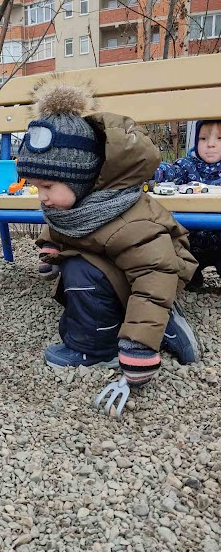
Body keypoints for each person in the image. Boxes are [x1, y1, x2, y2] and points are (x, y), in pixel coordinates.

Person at [16, 82, 201, 396]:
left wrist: (138, 350)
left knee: (81, 271)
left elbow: (154, 273)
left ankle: (98, 349)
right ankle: (156, 320)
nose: (41, 197)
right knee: (81, 267)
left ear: (83, 177)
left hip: (159, 271)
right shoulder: (80, 204)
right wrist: (50, 247)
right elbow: (66, 226)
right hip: (132, 268)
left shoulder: (128, 217)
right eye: (35, 187)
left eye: (47, 186)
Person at [155, 120, 221, 289]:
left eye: (219, 138)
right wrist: (157, 170)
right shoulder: (188, 166)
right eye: (203, 139)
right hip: (192, 240)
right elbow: (171, 171)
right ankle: (193, 278)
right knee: (188, 278)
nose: (211, 145)